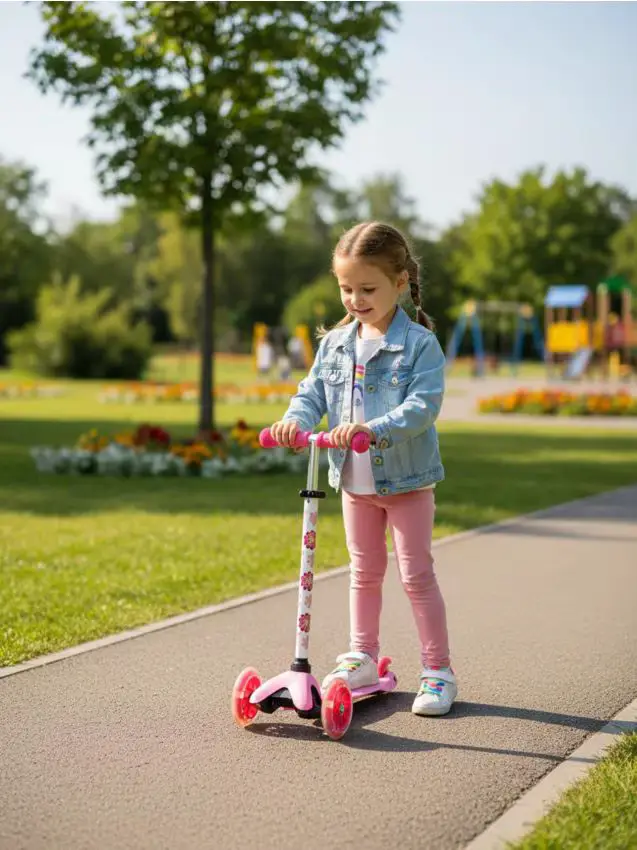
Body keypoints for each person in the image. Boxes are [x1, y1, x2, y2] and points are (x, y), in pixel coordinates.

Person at [270, 221, 456, 717]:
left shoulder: (419, 345)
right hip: (354, 482)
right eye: (346, 288)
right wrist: (294, 421)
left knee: (415, 576)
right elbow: (311, 393)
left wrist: (371, 429)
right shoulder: (334, 344)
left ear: (400, 283)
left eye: (367, 288)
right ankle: (364, 657)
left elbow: (423, 407)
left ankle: (437, 671)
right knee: (363, 572)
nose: (355, 298)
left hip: (406, 481)